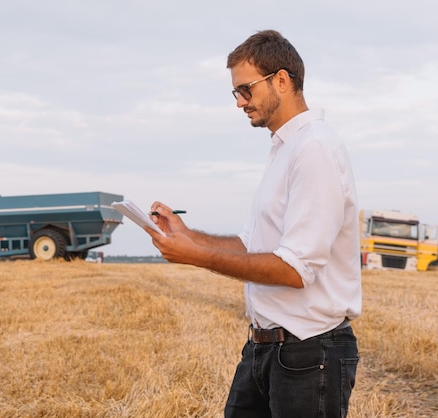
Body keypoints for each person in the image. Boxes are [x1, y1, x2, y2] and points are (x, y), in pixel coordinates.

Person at [145, 30, 362, 417]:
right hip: (265, 349)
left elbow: (296, 270)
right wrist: (187, 235)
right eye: (236, 93)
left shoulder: (315, 148)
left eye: (246, 89)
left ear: (281, 79)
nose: (240, 102)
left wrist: (197, 257)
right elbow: (253, 244)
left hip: (310, 352)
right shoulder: (285, 148)